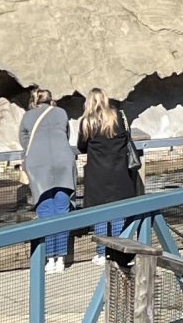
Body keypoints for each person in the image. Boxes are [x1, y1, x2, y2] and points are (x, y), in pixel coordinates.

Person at [77, 87, 142, 261]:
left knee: (100, 214)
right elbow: (126, 137)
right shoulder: (118, 117)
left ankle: (101, 252)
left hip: (97, 174)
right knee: (118, 213)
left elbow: (82, 146)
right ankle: (117, 251)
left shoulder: (87, 122)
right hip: (119, 172)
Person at [19, 87, 77, 272]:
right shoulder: (61, 113)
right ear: (51, 99)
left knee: (45, 211)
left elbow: (23, 139)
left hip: (39, 165)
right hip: (63, 162)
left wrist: (35, 148)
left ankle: (49, 258)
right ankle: (61, 258)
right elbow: (67, 135)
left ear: (34, 100)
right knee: (62, 209)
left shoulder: (28, 116)